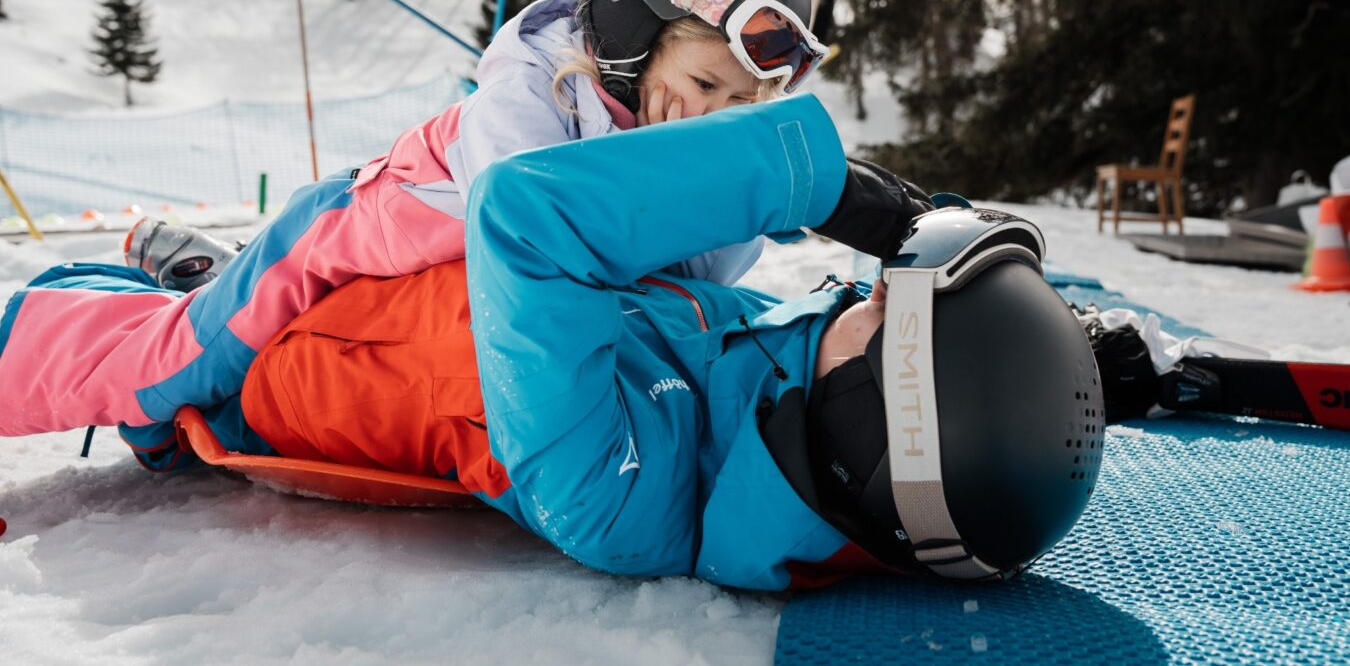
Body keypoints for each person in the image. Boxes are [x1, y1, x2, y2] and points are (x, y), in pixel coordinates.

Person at [0, 0, 827, 452]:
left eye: (739, 107)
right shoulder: (529, 102)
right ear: (625, 31)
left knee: (293, 358)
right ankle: (24, 347)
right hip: (329, 235)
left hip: (412, 283)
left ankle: (198, 271)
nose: (716, 118)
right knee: (179, 363)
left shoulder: (669, 129)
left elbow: (688, 283)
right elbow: (543, 237)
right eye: (706, 85)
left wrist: (744, 198)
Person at [214, 96, 1103, 589]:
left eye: (884, 307)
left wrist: (813, 185)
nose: (858, 287)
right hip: (378, 272)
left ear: (871, 403)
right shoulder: (764, 392)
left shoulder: (623, 493)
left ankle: (180, 276)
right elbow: (975, 433)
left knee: (136, 309)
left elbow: (524, 213)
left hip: (270, 351)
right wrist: (1040, 348)